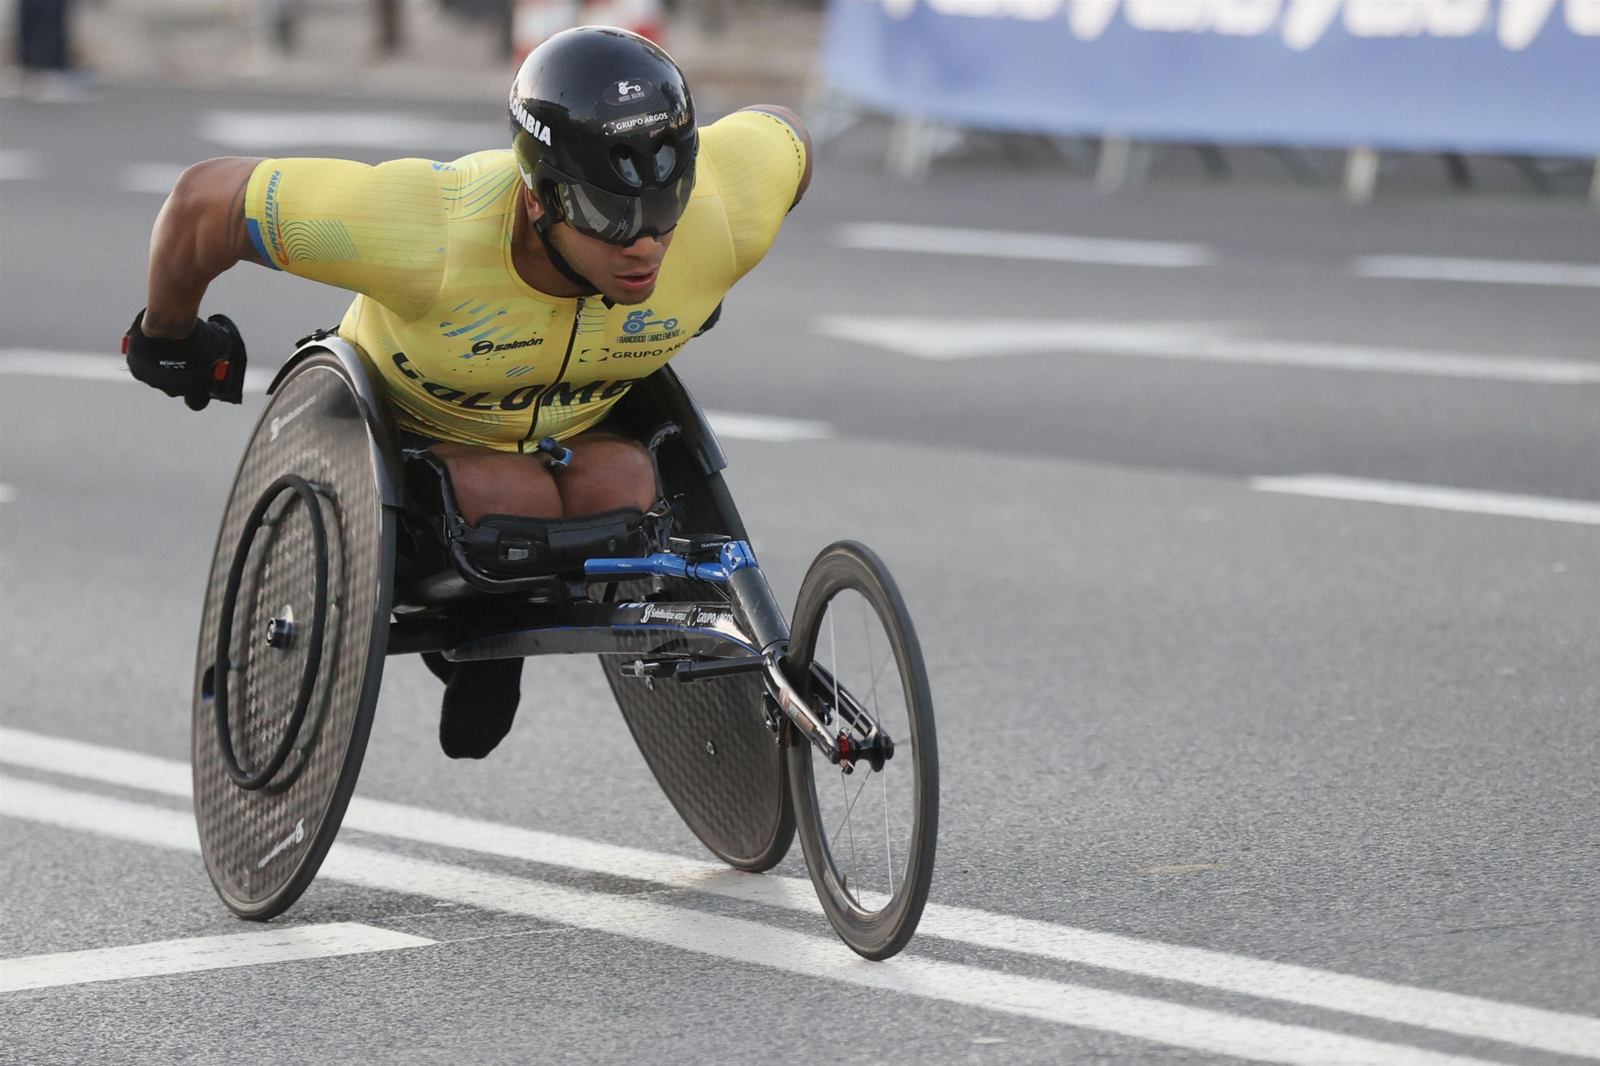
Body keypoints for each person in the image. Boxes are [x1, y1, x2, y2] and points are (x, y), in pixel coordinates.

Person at [124, 26, 812, 760]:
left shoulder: (721, 216)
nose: (645, 247)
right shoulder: (428, 228)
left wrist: (697, 280)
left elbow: (790, 137)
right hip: (416, 451)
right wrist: (170, 337)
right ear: (541, 198)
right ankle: (486, 623)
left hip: (578, 432)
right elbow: (206, 203)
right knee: (503, 496)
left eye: (665, 209)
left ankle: (503, 611)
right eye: (613, 219)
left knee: (631, 479)